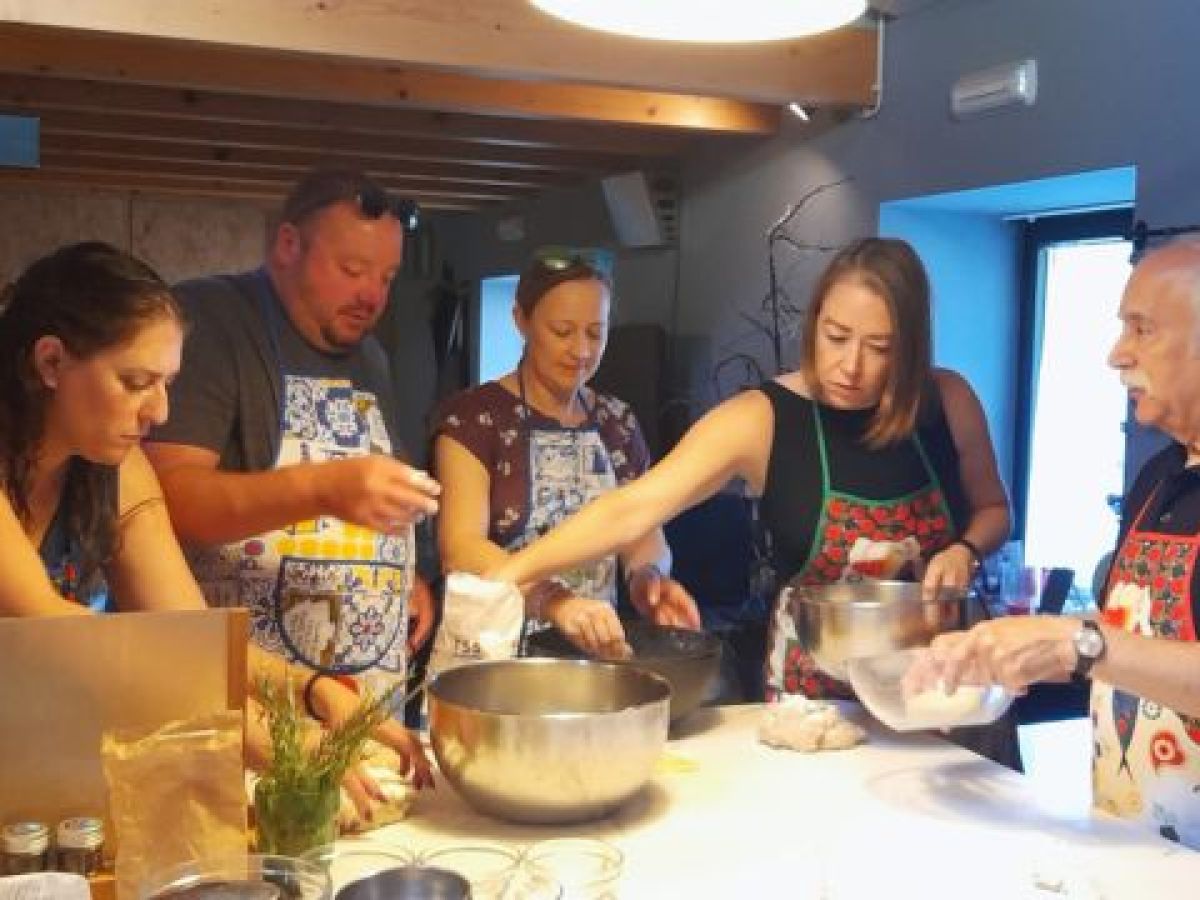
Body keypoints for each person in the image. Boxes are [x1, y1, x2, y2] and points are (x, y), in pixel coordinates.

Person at [0, 241, 431, 822]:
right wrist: (281, 745)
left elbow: (185, 635)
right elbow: (74, 645)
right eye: (135, 382)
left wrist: (308, 690)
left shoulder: (116, 467)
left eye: (167, 383)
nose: (159, 412)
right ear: (50, 362)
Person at [488, 237, 1011, 702]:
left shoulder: (948, 400)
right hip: (816, 699)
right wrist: (509, 575)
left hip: (944, 690)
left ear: (912, 349)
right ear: (813, 326)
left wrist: (966, 550)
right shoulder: (761, 418)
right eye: (836, 337)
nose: (851, 366)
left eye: (879, 348)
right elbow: (631, 509)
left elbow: (993, 510)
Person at [915, 239, 1200, 848]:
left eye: (1142, 330)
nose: (1115, 354)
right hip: (1134, 849)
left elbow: (1103, 647)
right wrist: (1000, 656)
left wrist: (1077, 643)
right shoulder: (1158, 478)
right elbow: (1142, 641)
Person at [433, 250, 700, 652]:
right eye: (562, 331)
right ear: (521, 320)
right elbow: (461, 546)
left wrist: (650, 580)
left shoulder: (617, 422)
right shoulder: (474, 418)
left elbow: (643, 533)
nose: (581, 351)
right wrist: (554, 600)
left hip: (588, 656)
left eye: (596, 333)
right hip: (490, 656)